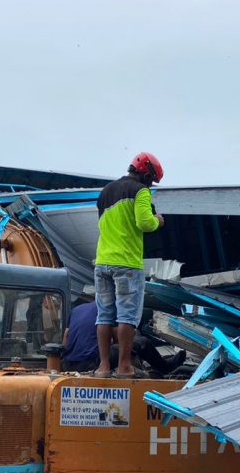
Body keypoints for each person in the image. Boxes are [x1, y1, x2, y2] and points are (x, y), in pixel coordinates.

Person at [94, 152, 165, 378]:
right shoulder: (140, 191)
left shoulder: (105, 192)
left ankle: (103, 367)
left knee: (104, 316)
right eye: (152, 181)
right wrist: (157, 221)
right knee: (127, 316)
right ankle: (124, 366)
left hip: (102, 262)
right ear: (147, 174)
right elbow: (144, 223)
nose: (150, 185)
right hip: (126, 263)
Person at [62, 299, 185, 376]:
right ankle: (166, 368)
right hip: (92, 362)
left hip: (68, 364)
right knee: (143, 342)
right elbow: (120, 340)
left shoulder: (77, 309)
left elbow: (66, 337)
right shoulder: (110, 308)